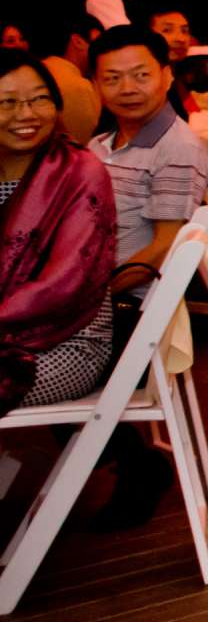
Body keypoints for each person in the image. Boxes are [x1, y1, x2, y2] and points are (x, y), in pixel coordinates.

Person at [0, 52, 116, 415]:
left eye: (40, 99)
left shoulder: (80, 173)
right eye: (7, 103)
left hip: (66, 343)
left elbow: (63, 284)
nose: (27, 115)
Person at [88, 26, 208, 295]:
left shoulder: (177, 148)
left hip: (124, 305)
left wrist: (93, 297)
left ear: (167, 77)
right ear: (95, 85)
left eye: (141, 76)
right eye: (112, 79)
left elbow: (167, 245)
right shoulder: (98, 145)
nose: (127, 89)